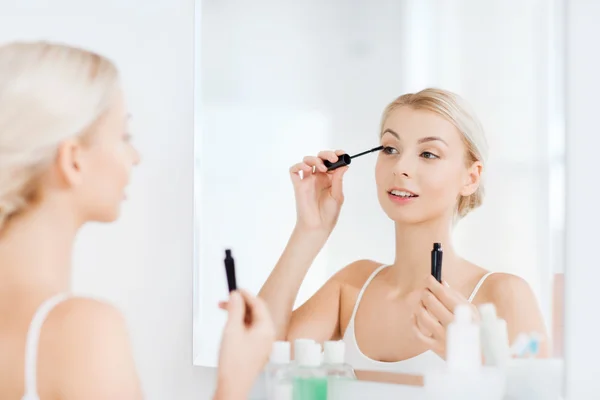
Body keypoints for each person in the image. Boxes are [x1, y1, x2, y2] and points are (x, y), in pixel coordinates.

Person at [0, 41, 274, 400]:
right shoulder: (81, 331)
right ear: (73, 160)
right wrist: (234, 382)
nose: (136, 157)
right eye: (124, 136)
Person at [259, 88, 549, 373]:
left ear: (470, 177)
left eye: (428, 154)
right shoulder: (351, 287)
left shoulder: (504, 295)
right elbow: (253, 361)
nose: (401, 167)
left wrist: (476, 360)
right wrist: (310, 229)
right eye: (390, 149)